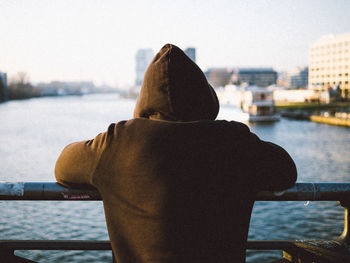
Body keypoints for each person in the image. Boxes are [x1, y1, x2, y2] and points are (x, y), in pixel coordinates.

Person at [55, 44, 297, 263]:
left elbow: (63, 167)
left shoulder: (118, 141)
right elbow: (286, 172)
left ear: (144, 99)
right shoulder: (235, 140)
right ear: (205, 96)